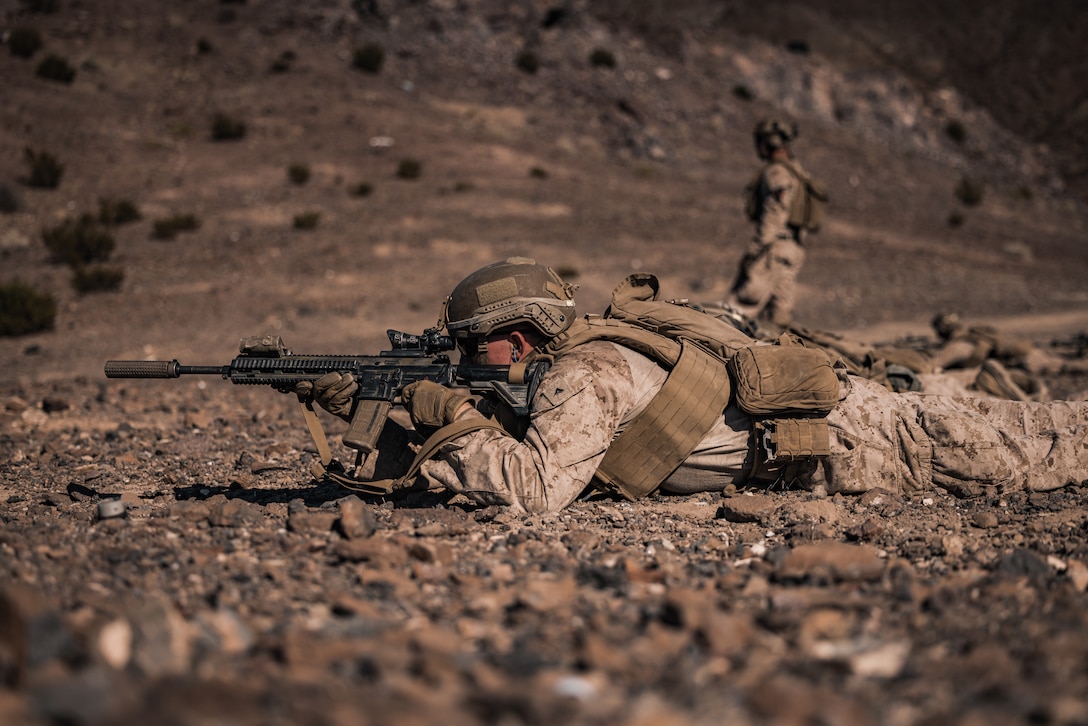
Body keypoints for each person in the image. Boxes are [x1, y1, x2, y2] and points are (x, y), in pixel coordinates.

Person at [298, 258, 1088, 513]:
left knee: (1055, 446)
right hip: (862, 420)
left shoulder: (584, 376)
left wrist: (449, 420)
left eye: (471, 343)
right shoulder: (567, 362)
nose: (464, 355)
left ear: (520, 335)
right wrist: (366, 399)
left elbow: (536, 488)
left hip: (874, 440)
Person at [725, 118, 825, 328]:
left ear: (767, 144)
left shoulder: (777, 172)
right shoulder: (797, 170)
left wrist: (754, 250)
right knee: (779, 319)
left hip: (773, 251)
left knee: (734, 313)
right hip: (792, 249)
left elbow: (775, 215)